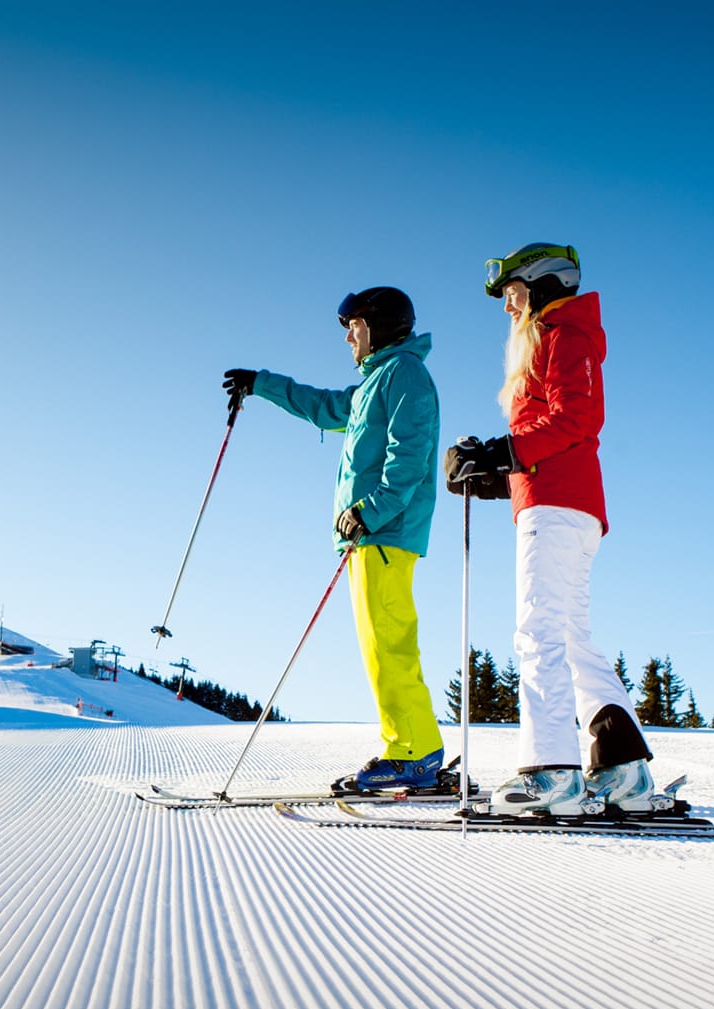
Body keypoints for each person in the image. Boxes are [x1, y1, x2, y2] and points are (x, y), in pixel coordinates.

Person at [445, 243, 668, 816]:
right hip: (561, 503)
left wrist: (505, 450)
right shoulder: (556, 339)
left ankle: (552, 776)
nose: (507, 308)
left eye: (513, 294)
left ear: (542, 287)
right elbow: (551, 445)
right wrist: (496, 472)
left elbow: (575, 418)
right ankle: (623, 773)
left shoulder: (563, 337)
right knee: (569, 637)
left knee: (537, 633)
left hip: (559, 509)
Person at [223, 287, 445, 793]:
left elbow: (409, 456)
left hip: (383, 532)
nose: (348, 335)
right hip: (369, 536)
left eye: (355, 325)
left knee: (388, 645)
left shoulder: (405, 375)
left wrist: (370, 510)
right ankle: (416, 746)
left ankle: (413, 752)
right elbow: (323, 406)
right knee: (381, 645)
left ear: (382, 325)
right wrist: (261, 384)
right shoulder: (374, 384)